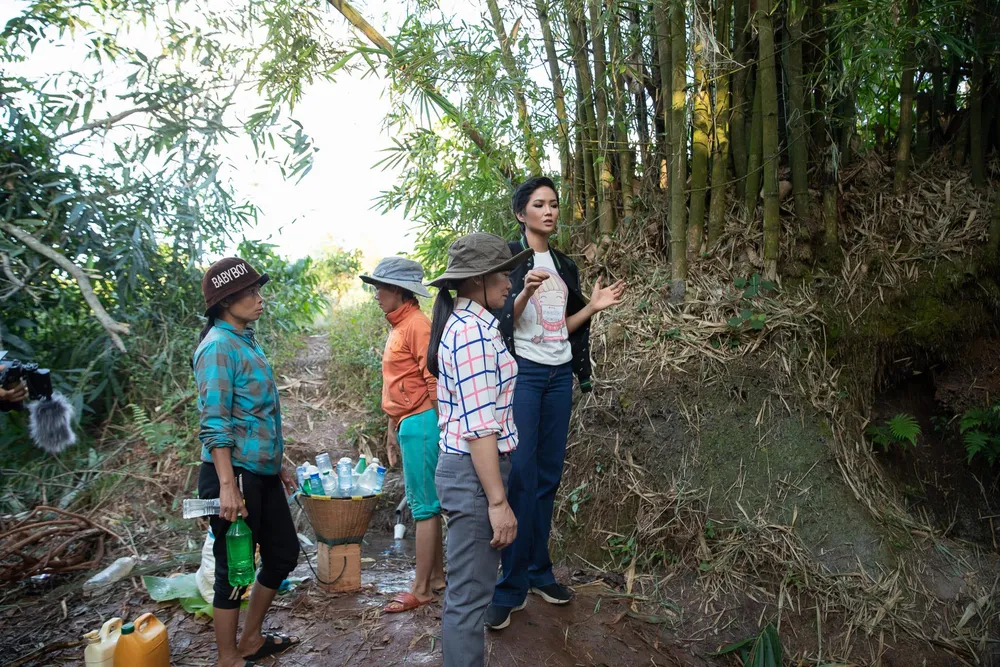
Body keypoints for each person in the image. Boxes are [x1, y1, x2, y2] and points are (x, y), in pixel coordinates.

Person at [487, 177, 626, 630]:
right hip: (524, 375)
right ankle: (510, 585)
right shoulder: (509, 259)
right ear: (520, 213)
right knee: (522, 475)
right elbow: (502, 321)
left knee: (547, 476)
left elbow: (559, 328)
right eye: (538, 205)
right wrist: (525, 290)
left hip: (558, 374)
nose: (549, 212)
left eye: (553, 204)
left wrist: (593, 307)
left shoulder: (564, 265)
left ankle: (539, 572)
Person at [427, 233, 531, 667]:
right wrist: (498, 502)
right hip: (474, 474)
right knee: (470, 598)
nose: (510, 282)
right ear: (477, 280)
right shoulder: (471, 334)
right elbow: (478, 427)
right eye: (503, 274)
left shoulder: (475, 327)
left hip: (473, 473)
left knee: (471, 592)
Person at [193, 257, 300, 667]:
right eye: (251, 293)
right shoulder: (217, 348)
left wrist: (279, 463)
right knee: (234, 568)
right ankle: (227, 658)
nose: (260, 298)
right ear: (225, 302)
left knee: (283, 554)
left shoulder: (244, 340)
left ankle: (251, 638)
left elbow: (258, 415)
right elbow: (215, 423)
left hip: (261, 472)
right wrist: (227, 487)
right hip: (234, 476)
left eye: (258, 290)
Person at [359, 257, 446, 613]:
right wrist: (392, 430)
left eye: (380, 288)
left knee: (424, 507)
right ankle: (436, 578)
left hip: (424, 421)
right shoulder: (399, 326)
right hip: (410, 423)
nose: (376, 294)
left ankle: (421, 588)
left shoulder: (417, 325)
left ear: (398, 291)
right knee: (426, 503)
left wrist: (442, 427)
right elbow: (398, 384)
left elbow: (434, 379)